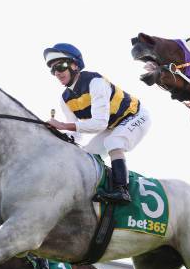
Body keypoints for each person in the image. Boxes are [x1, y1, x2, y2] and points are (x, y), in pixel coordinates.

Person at [43, 43, 151, 204]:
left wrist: (64, 126)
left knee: (113, 142)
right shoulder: (65, 99)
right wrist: (56, 135)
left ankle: (122, 189)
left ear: (75, 65)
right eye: (53, 70)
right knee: (88, 155)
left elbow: (99, 124)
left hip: (136, 115)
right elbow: (76, 135)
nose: (57, 73)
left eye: (61, 66)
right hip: (112, 125)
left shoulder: (95, 82)